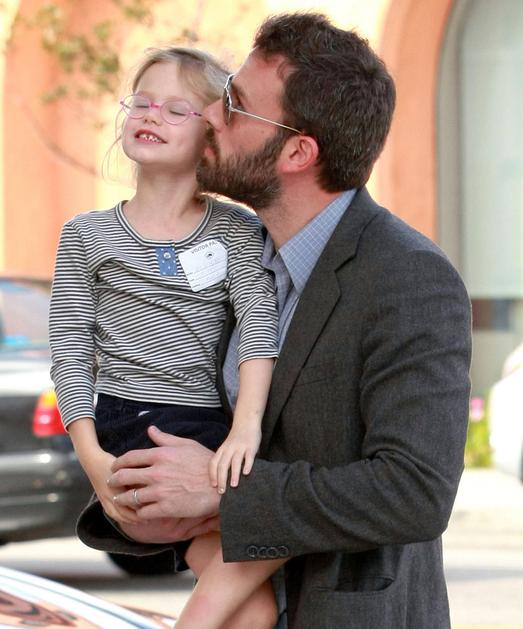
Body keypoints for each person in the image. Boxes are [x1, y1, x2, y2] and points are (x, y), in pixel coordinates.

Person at [104, 13, 472, 629]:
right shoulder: (222, 253)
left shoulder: (409, 277)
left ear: (299, 152)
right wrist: (135, 487)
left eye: (236, 106)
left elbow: (414, 492)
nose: (211, 115)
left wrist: (223, 492)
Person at [49, 47, 282, 628]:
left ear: (211, 138)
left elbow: (259, 326)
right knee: (283, 522)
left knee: (254, 611)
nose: (151, 115)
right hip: (128, 430)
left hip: (208, 432)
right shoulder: (86, 235)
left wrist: (245, 429)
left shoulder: (237, 230)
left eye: (177, 110)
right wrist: (94, 461)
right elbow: (70, 352)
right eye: (142, 103)